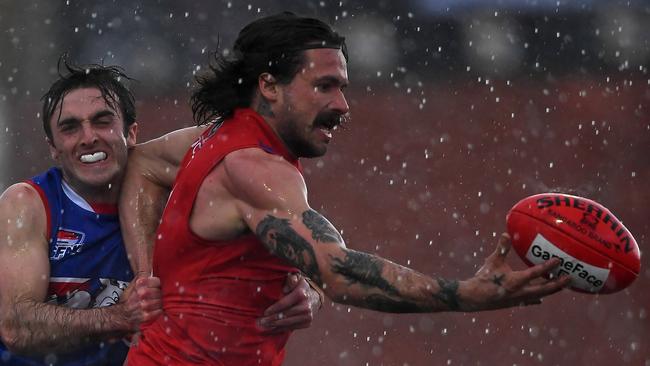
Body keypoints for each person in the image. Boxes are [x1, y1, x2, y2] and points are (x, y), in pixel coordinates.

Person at [121, 12, 569, 365]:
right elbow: (340, 272)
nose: (342, 105)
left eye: (343, 87)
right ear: (269, 87)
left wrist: (146, 273)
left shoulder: (212, 138)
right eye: (325, 87)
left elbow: (140, 162)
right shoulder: (254, 168)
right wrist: (465, 294)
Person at [0, 59, 322, 365]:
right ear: (53, 149)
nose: (88, 137)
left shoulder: (176, 198)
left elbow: (302, 225)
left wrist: (311, 290)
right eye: (70, 128)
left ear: (131, 133)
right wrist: (117, 317)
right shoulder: (29, 204)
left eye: (102, 121)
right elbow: (15, 326)